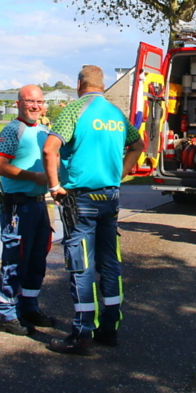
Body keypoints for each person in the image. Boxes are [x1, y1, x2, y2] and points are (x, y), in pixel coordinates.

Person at [43, 65, 143, 355]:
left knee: (81, 267)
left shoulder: (74, 110)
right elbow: (139, 144)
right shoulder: (116, 114)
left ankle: (82, 334)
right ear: (103, 85)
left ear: (78, 84)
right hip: (110, 198)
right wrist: (121, 172)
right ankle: (109, 329)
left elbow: (50, 149)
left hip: (81, 199)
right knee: (110, 265)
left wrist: (53, 186)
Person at [0, 85, 58, 336]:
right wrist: (33, 177)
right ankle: (7, 315)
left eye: (39, 102)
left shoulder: (43, 131)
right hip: (17, 207)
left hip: (39, 205)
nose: (35, 106)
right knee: (15, 260)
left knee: (37, 260)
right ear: (18, 103)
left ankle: (29, 307)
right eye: (30, 101)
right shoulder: (13, 130)